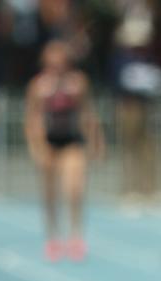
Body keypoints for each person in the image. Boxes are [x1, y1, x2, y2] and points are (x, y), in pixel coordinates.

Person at [24, 40, 104, 262]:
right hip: (49, 141)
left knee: (74, 188)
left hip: (72, 140)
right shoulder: (39, 86)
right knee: (50, 193)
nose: (57, 66)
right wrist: (36, 146)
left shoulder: (77, 83)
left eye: (61, 62)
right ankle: (53, 236)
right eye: (52, 62)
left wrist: (96, 141)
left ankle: (76, 234)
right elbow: (33, 118)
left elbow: (88, 113)